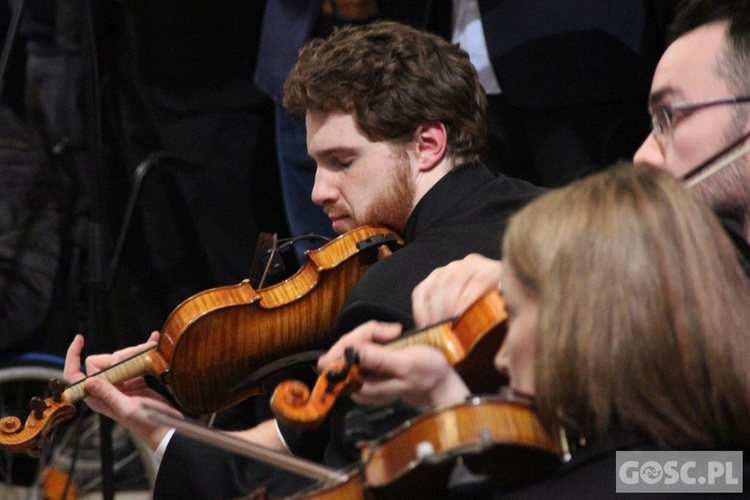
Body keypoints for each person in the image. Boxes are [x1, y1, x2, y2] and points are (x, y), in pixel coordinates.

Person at [63, 20, 543, 498]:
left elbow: (339, 488)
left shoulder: (387, 298)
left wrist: (159, 437)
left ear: (427, 145)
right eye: (315, 163)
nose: (318, 191)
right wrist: (182, 428)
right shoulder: (556, 216)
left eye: (342, 161)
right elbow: (316, 436)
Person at [320, 163, 750, 496]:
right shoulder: (710, 467)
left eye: (513, 310)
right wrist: (445, 393)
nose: (502, 357)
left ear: (582, 324)